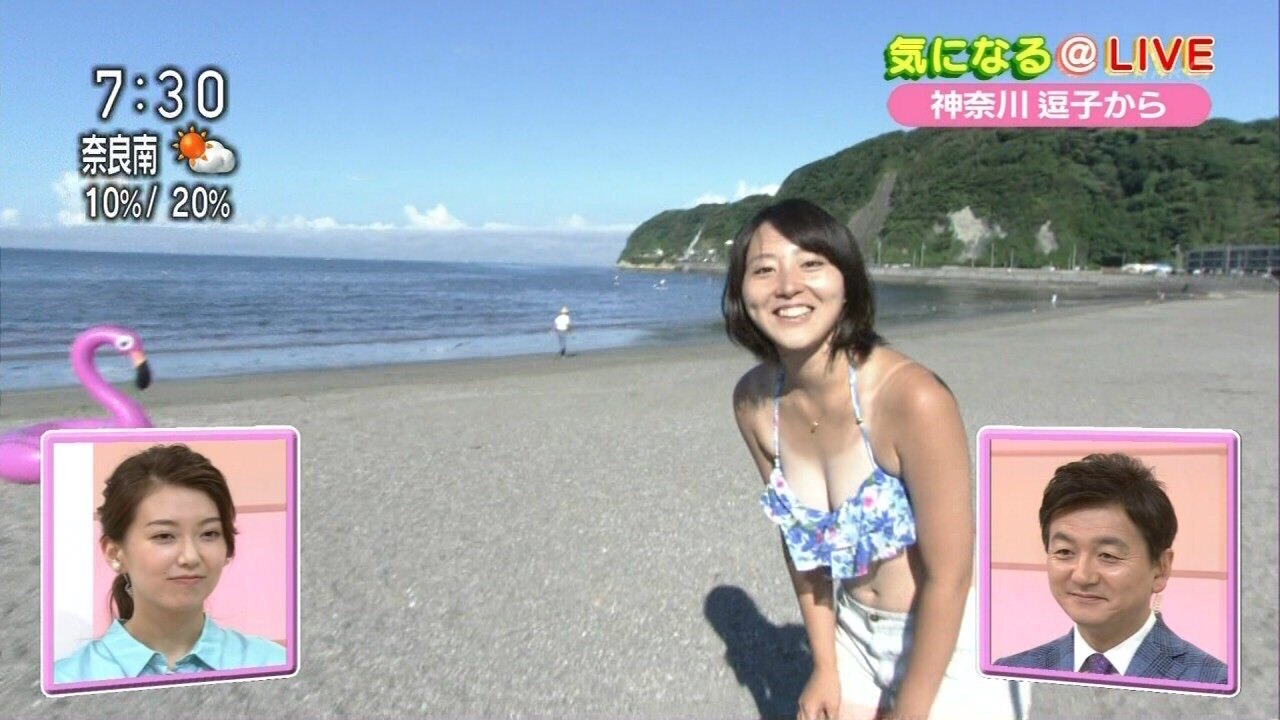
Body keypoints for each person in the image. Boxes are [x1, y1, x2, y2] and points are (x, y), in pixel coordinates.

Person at [724, 199, 1027, 720]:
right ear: (742, 292)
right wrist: (824, 663)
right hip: (852, 633)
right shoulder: (755, 403)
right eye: (764, 269)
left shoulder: (911, 398)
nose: (788, 286)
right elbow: (799, 545)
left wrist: (910, 708)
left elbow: (951, 575)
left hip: (951, 637)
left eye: (811, 264)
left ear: (847, 283)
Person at [54, 444, 285, 682]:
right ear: (114, 553)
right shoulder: (68, 679)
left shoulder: (272, 664)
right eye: (164, 536)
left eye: (209, 534)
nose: (190, 557)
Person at [995, 453, 1227, 683]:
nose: (1082, 576)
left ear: (1161, 568)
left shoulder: (1214, 682)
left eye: (1108, 555)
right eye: (1065, 552)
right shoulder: (1011, 674)